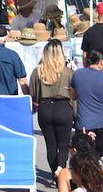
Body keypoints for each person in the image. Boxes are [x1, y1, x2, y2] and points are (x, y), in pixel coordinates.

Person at [30, 39, 75, 181]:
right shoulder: (68, 72)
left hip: (46, 108)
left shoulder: (37, 72)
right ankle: (60, 172)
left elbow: (33, 94)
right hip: (63, 107)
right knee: (63, 145)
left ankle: (54, 173)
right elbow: (74, 96)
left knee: (51, 145)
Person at [70, 50, 103, 157]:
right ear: (101, 61)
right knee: (102, 159)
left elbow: (73, 96)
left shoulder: (78, 74)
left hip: (84, 124)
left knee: (82, 159)